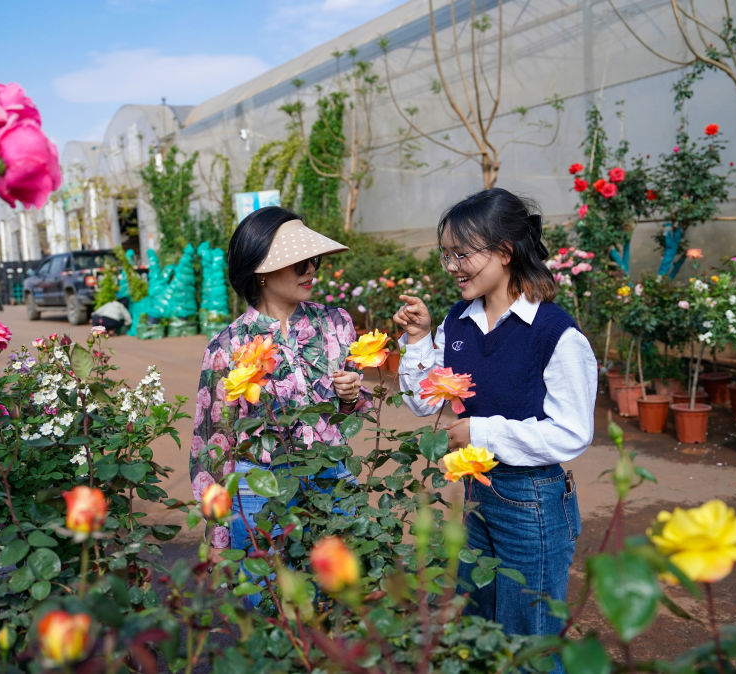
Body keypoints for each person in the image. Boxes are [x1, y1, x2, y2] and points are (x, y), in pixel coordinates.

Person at [393, 188, 596, 650]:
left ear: (504, 253)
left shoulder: (555, 333)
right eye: (446, 256)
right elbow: (424, 403)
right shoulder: (458, 323)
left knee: (529, 639)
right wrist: (421, 339)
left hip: (533, 503)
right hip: (477, 494)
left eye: (462, 254)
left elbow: (572, 433)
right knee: (479, 627)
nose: (452, 267)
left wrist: (479, 431)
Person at [191, 206, 369, 556]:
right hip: (259, 488)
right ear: (260, 271)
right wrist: (218, 536)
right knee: (267, 600)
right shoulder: (227, 347)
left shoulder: (336, 324)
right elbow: (212, 445)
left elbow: (350, 418)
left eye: (313, 259)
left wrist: (350, 397)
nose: (310, 270)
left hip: (331, 478)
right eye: (297, 261)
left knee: (337, 597)